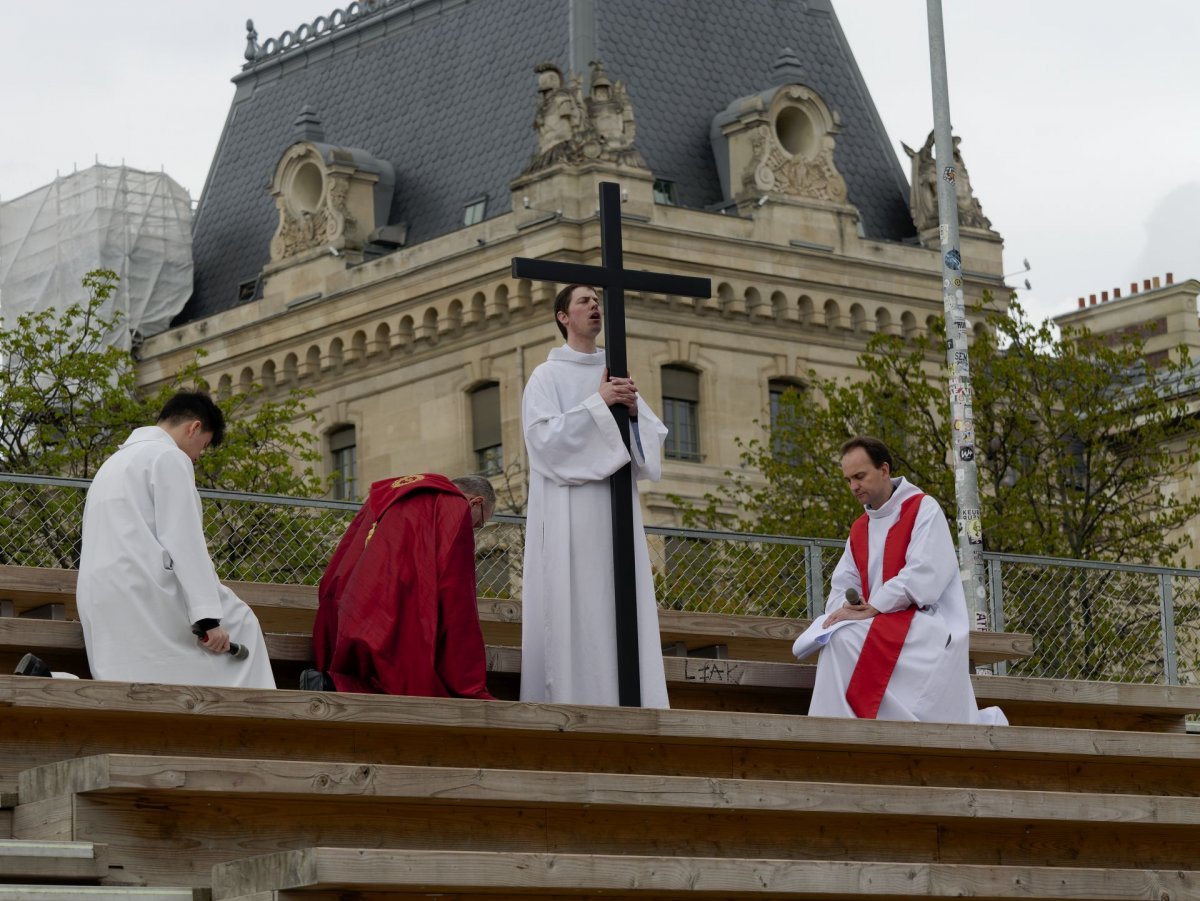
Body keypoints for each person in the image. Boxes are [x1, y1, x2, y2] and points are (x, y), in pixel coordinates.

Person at [520, 284, 670, 707]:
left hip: (615, 509)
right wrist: (597, 403)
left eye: (596, 300)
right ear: (562, 317)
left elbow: (651, 448)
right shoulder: (546, 376)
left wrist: (635, 412)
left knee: (620, 602)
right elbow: (543, 441)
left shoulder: (617, 370)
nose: (594, 306)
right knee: (574, 604)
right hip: (571, 512)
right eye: (583, 301)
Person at [77, 391, 275, 689]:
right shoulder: (169, 457)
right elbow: (184, 542)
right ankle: (258, 725)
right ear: (194, 428)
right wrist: (208, 619)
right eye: (204, 446)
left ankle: (55, 679)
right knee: (243, 624)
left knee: (127, 681)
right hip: (145, 593)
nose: (197, 456)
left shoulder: (111, 464)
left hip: (99, 596)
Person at [805, 435, 1005, 725]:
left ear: (884, 470)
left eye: (859, 476)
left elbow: (925, 574)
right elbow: (842, 583)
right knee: (836, 636)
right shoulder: (860, 529)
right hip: (876, 620)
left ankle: (845, 727)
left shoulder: (923, 509)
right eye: (848, 480)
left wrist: (874, 605)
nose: (854, 487)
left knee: (844, 639)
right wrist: (847, 608)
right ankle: (840, 728)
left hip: (925, 622)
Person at [307, 473, 496, 698]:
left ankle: (332, 682)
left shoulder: (392, 494)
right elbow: (456, 592)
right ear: (477, 502)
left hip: (347, 607)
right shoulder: (454, 506)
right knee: (418, 682)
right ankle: (334, 684)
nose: (474, 528)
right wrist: (469, 681)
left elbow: (347, 553)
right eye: (480, 523)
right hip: (390, 614)